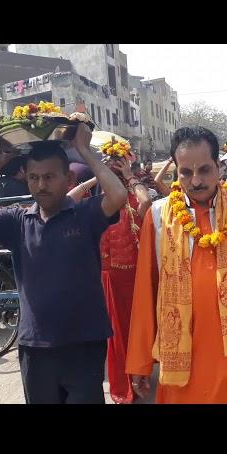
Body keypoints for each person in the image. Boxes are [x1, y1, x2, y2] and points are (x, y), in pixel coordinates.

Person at [0, 122, 128, 404]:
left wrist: (83, 150)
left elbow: (118, 195)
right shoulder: (16, 222)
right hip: (35, 347)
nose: (41, 185)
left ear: (68, 178)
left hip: (84, 345)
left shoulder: (84, 215)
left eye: (49, 176)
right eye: (33, 177)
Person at [126, 126, 227, 404]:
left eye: (204, 170)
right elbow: (145, 293)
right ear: (175, 172)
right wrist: (140, 362)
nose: (195, 181)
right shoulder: (158, 217)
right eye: (185, 172)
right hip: (184, 366)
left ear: (218, 166)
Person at [68, 149, 151, 404]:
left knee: (136, 332)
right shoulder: (97, 207)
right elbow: (67, 200)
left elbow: (147, 202)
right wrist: (96, 174)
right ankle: (123, 385)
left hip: (134, 278)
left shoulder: (134, 201)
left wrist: (129, 175)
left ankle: (140, 375)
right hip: (106, 279)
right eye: (110, 173)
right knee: (115, 337)